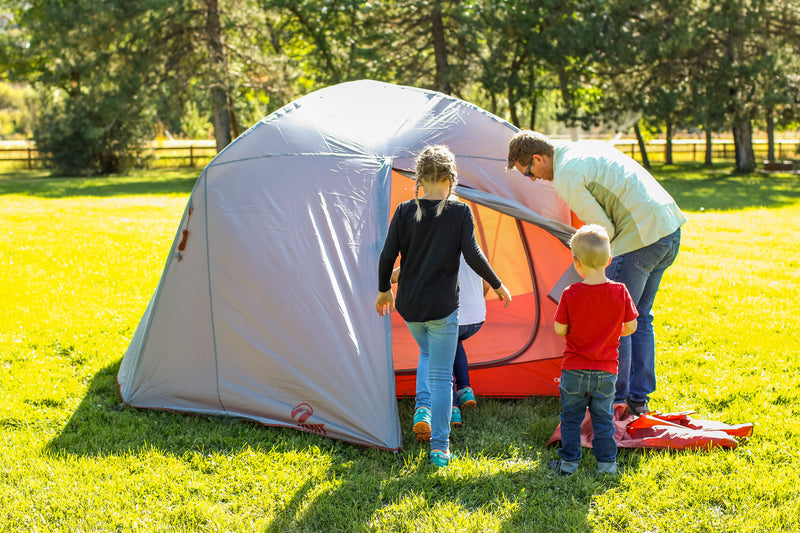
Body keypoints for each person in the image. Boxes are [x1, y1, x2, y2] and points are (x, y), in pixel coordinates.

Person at [507, 131, 686, 415]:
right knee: (640, 316)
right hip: (668, 228)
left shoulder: (566, 175)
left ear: (538, 158)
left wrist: (581, 258)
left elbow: (605, 232)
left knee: (618, 321)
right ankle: (638, 400)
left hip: (639, 238)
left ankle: (617, 402)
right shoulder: (585, 148)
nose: (533, 178)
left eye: (528, 171)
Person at [376, 145, 512, 468]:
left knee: (427, 352)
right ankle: (440, 448)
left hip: (410, 308)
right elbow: (474, 254)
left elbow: (386, 256)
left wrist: (384, 290)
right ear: (451, 178)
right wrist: (496, 283)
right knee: (440, 376)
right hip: (442, 310)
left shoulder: (404, 211)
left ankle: (423, 408)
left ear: (419, 178)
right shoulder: (460, 212)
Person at [550, 224, 638, 476]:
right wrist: (611, 332)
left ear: (575, 263)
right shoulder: (620, 291)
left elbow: (559, 329)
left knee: (571, 417)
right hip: (606, 371)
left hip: (574, 370)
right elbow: (631, 326)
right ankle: (607, 465)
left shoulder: (570, 293)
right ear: (609, 260)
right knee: (603, 418)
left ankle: (568, 464)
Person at [449, 255, 491, 427]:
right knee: (455, 343)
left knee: (440, 356)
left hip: (454, 317)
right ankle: (465, 390)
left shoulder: (440, 245)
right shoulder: (475, 250)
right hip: (476, 318)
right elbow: (488, 283)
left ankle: (452, 409)